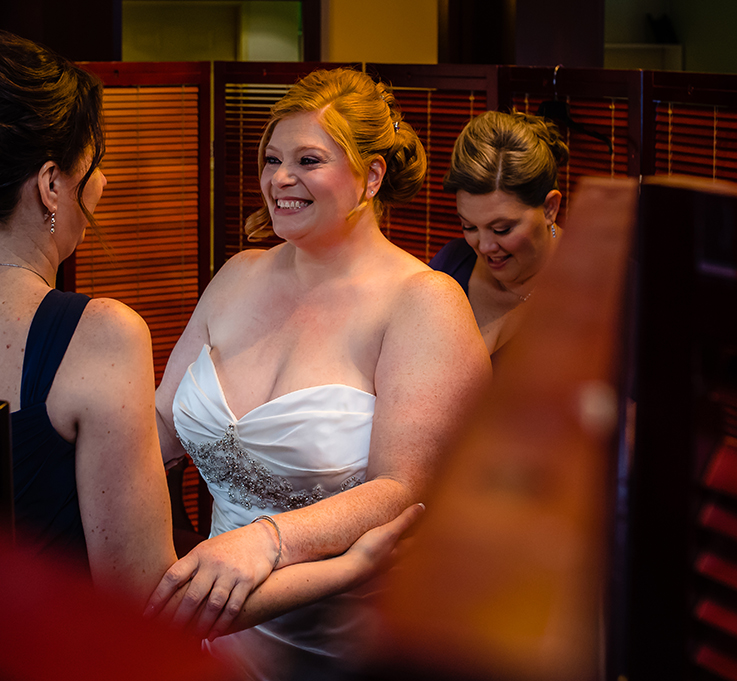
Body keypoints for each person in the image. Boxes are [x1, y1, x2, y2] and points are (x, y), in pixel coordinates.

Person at [0, 31, 422, 617]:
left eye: (308, 161)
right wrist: (348, 569)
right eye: (92, 166)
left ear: (371, 176)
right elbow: (151, 602)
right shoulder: (102, 331)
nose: (103, 184)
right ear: (51, 185)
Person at [149, 68, 491, 679]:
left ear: (372, 175)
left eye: (308, 159)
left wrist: (267, 539)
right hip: (210, 632)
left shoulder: (422, 302)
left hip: (344, 645)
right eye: (272, 158)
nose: (280, 178)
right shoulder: (237, 276)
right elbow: (159, 429)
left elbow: (404, 489)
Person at [429, 110, 568, 358]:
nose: (484, 247)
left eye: (502, 229)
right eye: (469, 226)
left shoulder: (596, 287)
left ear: (550, 208)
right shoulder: (451, 265)